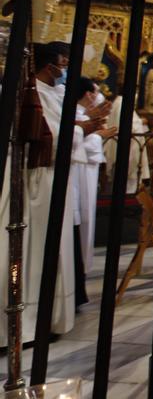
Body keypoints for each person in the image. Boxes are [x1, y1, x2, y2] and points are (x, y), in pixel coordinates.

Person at [0, 42, 104, 345]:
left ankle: (42, 318)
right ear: (48, 66)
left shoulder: (45, 92)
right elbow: (49, 136)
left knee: (47, 249)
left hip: (47, 177)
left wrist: (82, 125)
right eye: (63, 62)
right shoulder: (28, 91)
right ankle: (25, 324)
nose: (65, 69)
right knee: (29, 250)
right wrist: (84, 129)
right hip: (32, 179)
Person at [71, 77, 116, 307]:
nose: (95, 97)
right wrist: (99, 135)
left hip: (85, 174)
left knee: (85, 227)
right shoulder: (72, 111)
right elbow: (79, 145)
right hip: (76, 173)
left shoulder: (82, 114)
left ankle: (80, 280)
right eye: (92, 92)